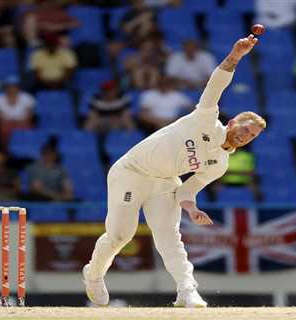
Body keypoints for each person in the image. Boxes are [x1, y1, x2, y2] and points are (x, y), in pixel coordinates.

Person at [82, 35, 266, 308]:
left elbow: (188, 189)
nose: (245, 136)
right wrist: (235, 56)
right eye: (244, 129)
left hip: (166, 183)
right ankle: (94, 274)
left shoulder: (221, 164)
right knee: (121, 235)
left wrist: (191, 209)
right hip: (131, 172)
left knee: (170, 238)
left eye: (251, 136)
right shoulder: (205, 119)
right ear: (232, 122)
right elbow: (215, 85)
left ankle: (187, 290)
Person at [25, 138, 73, 202]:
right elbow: (36, 188)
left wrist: (66, 195)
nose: (49, 156)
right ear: (42, 154)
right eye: (46, 153)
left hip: (58, 198)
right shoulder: (34, 168)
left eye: (51, 153)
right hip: (40, 198)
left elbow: (68, 187)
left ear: (55, 155)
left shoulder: (61, 170)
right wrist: (55, 197)